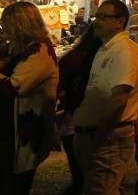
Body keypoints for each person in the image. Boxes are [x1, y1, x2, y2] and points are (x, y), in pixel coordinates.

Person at [73, 0, 138, 194]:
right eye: (97, 16)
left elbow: (119, 100)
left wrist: (100, 136)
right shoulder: (105, 48)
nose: (97, 21)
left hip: (108, 136)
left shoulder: (124, 51)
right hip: (94, 134)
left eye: (104, 17)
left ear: (120, 22)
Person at [0, 1, 58, 194]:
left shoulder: (39, 51)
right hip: (10, 131)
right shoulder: (18, 48)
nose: (4, 29)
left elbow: (13, 87)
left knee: (13, 186)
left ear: (19, 24)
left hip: (21, 133)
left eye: (6, 24)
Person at [56, 22, 103, 195]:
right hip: (80, 123)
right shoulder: (79, 58)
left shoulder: (75, 57)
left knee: (84, 177)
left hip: (77, 122)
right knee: (89, 178)